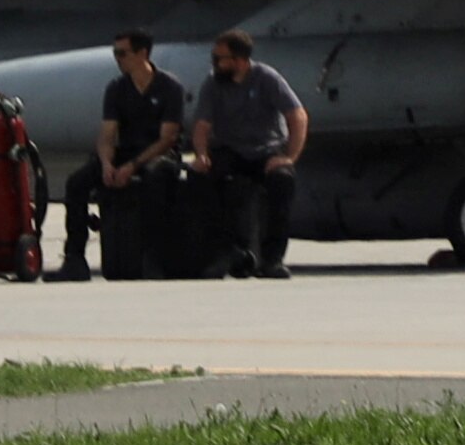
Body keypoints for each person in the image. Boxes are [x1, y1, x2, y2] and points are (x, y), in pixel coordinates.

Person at [67, 31, 192, 282]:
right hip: (127, 152)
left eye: (122, 53)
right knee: (76, 183)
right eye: (115, 53)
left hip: (160, 154)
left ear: (142, 54)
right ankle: (74, 258)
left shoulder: (169, 87)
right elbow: (107, 134)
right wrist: (106, 165)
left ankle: (153, 259)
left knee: (155, 180)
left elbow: (167, 138)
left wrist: (132, 167)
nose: (118, 59)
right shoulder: (117, 88)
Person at [191, 30, 310, 279]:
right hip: (230, 150)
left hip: (266, 151)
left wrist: (289, 156)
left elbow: (297, 116)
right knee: (200, 179)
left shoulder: (266, 78)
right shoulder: (213, 83)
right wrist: (201, 154)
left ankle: (272, 259)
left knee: (282, 180)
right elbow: (202, 125)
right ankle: (224, 251)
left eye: (220, 58)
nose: (215, 64)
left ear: (240, 61)